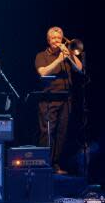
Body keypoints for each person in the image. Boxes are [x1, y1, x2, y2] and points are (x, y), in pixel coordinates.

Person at [35, 26, 83, 175]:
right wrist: (59, 60)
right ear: (49, 40)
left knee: (62, 133)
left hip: (65, 98)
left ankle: (55, 165)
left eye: (59, 38)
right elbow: (42, 73)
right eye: (54, 38)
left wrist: (69, 55)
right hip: (49, 100)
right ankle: (44, 165)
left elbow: (79, 69)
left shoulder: (66, 55)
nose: (57, 41)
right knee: (47, 133)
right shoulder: (41, 55)